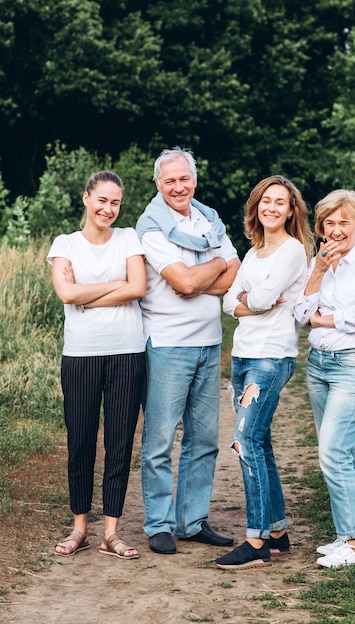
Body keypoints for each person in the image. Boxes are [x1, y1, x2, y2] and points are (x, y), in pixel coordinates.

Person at [136, 147, 240, 555]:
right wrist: (211, 266)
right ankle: (159, 524)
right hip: (166, 344)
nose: (178, 187)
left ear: (194, 179)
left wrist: (202, 276)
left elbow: (235, 271)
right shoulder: (151, 227)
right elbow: (182, 282)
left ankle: (192, 521)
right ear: (158, 184)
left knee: (204, 440)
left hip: (210, 343)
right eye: (170, 181)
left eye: (185, 179)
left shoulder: (208, 219)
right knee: (160, 439)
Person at [214, 175, 314, 570]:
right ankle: (277, 532)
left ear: (291, 211)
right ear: (256, 207)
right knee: (261, 443)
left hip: (271, 357)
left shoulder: (292, 251)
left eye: (280, 202)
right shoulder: (253, 253)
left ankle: (255, 542)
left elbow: (257, 297)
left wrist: (252, 301)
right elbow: (228, 303)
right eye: (265, 201)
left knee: (244, 441)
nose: (271, 207)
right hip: (243, 355)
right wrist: (254, 302)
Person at [48, 170, 146, 560]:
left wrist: (88, 297)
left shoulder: (128, 237)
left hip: (127, 352)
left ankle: (111, 533)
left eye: (116, 202)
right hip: (81, 354)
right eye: (102, 200)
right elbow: (65, 292)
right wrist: (113, 284)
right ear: (87, 198)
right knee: (81, 442)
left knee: (120, 443)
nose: (109, 208)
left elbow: (138, 287)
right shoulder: (65, 243)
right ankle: (79, 529)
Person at [294, 189, 355, 568]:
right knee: (339, 452)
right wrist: (318, 272)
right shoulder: (316, 261)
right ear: (320, 227)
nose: (336, 230)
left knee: (333, 452)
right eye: (329, 223)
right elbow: (301, 313)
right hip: (319, 364)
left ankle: (354, 543)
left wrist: (323, 316)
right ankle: (347, 534)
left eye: (344, 223)